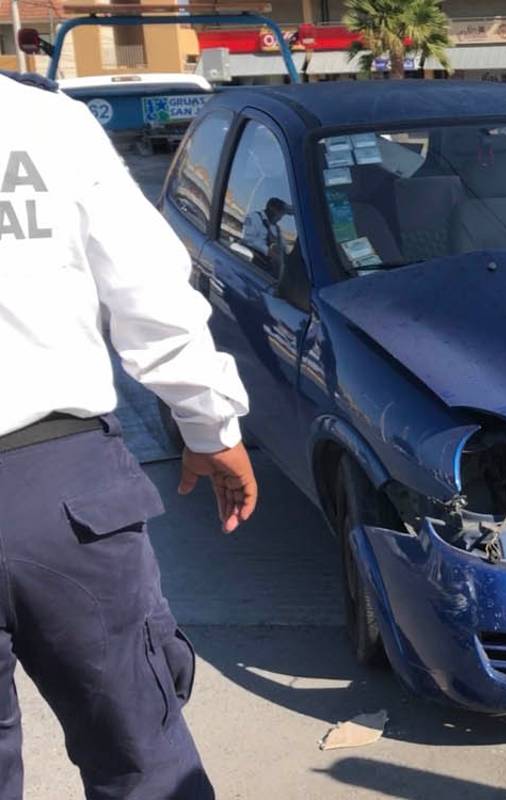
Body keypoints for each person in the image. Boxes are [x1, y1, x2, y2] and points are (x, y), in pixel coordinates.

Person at [0, 72, 257, 797]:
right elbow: (147, 293)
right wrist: (210, 425)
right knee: (141, 758)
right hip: (62, 489)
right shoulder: (45, 123)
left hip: (59, 476)